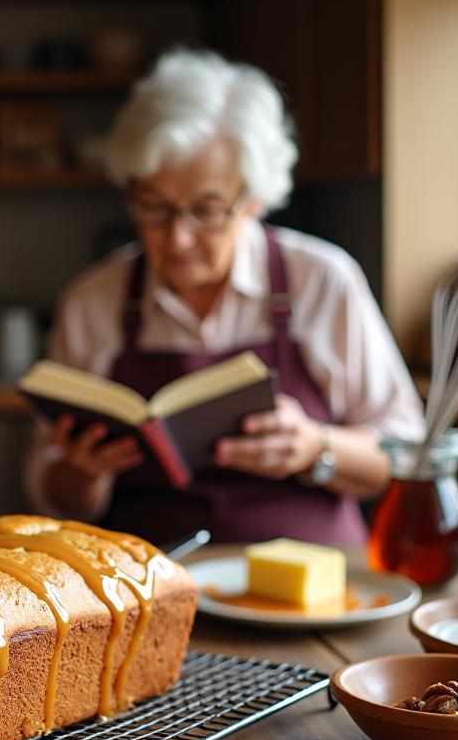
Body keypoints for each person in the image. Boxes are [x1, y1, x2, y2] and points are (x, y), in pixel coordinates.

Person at [25, 47, 424, 545]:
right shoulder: (93, 299)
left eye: (207, 210)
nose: (178, 239)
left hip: (315, 582)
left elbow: (407, 456)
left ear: (254, 199)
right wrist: (82, 475)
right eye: (154, 208)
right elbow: (52, 494)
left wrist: (316, 447)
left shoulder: (322, 280)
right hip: (149, 584)